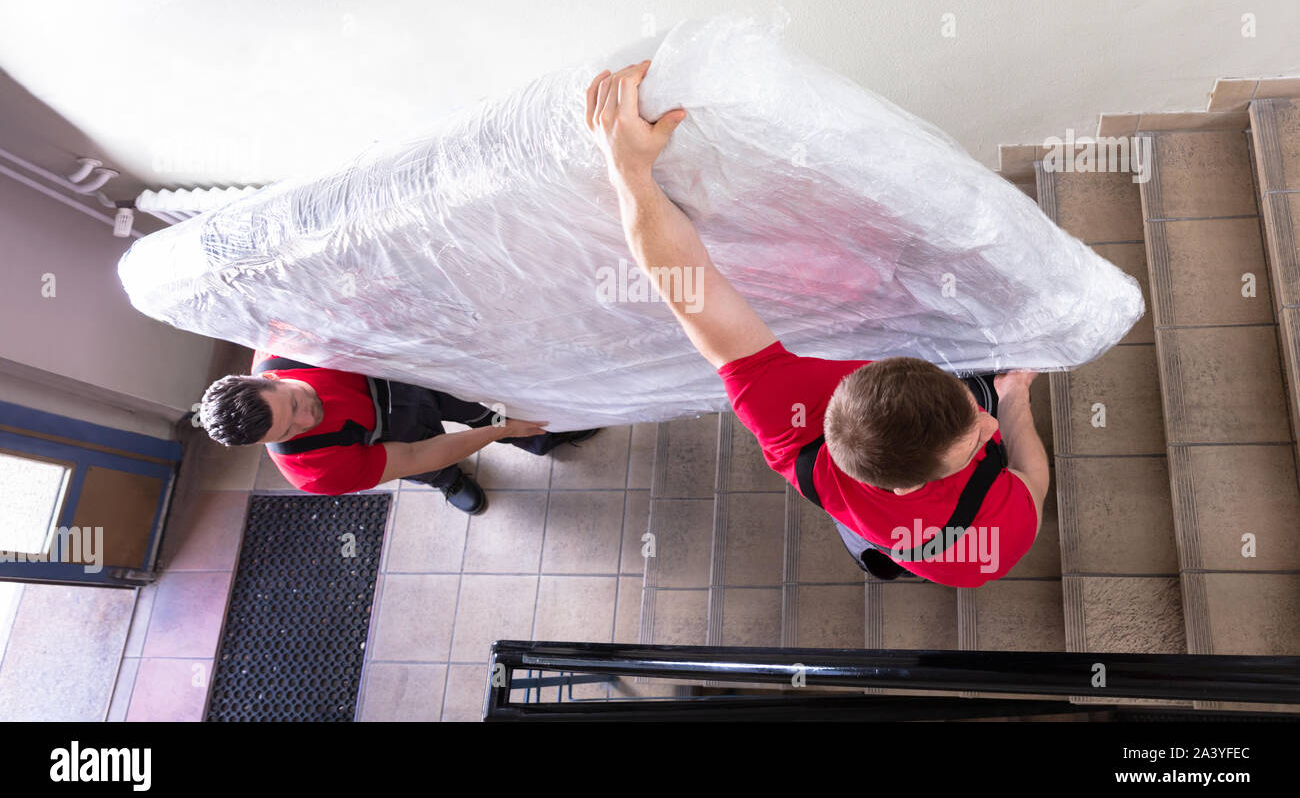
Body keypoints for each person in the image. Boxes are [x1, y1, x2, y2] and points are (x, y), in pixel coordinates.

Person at [584, 59, 1050, 586]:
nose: (990, 430)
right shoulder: (978, 549)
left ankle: (870, 540)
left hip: (875, 525)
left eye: (972, 413)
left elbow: (690, 287)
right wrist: (1011, 398)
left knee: (864, 531)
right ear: (905, 488)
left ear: (889, 366)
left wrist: (629, 172)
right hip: (915, 534)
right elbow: (1031, 480)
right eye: (972, 442)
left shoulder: (784, 414)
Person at [197, 348, 598, 514]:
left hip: (409, 378)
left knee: (485, 413)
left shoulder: (290, 343)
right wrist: (493, 438)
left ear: (272, 377)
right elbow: (415, 456)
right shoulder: (316, 471)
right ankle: (449, 481)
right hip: (393, 443)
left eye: (295, 403)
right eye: (288, 430)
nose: (307, 419)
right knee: (428, 467)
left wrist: (499, 427)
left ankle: (541, 436)